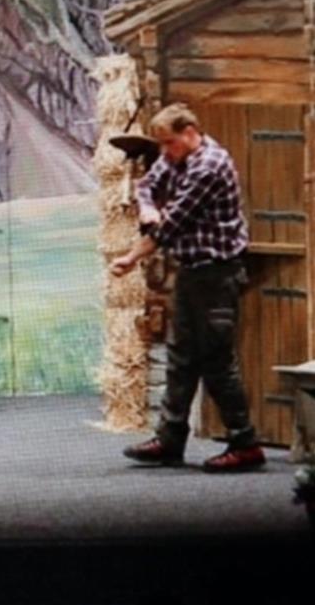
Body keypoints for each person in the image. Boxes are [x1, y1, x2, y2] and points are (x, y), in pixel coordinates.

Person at [111, 102, 266, 472]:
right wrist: (147, 207)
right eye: (161, 144)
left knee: (216, 361)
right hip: (192, 273)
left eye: (169, 143)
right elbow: (147, 184)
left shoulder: (209, 166)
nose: (164, 152)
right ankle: (170, 438)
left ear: (190, 133)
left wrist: (132, 257)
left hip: (216, 274)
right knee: (180, 357)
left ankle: (245, 442)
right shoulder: (177, 157)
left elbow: (172, 225)